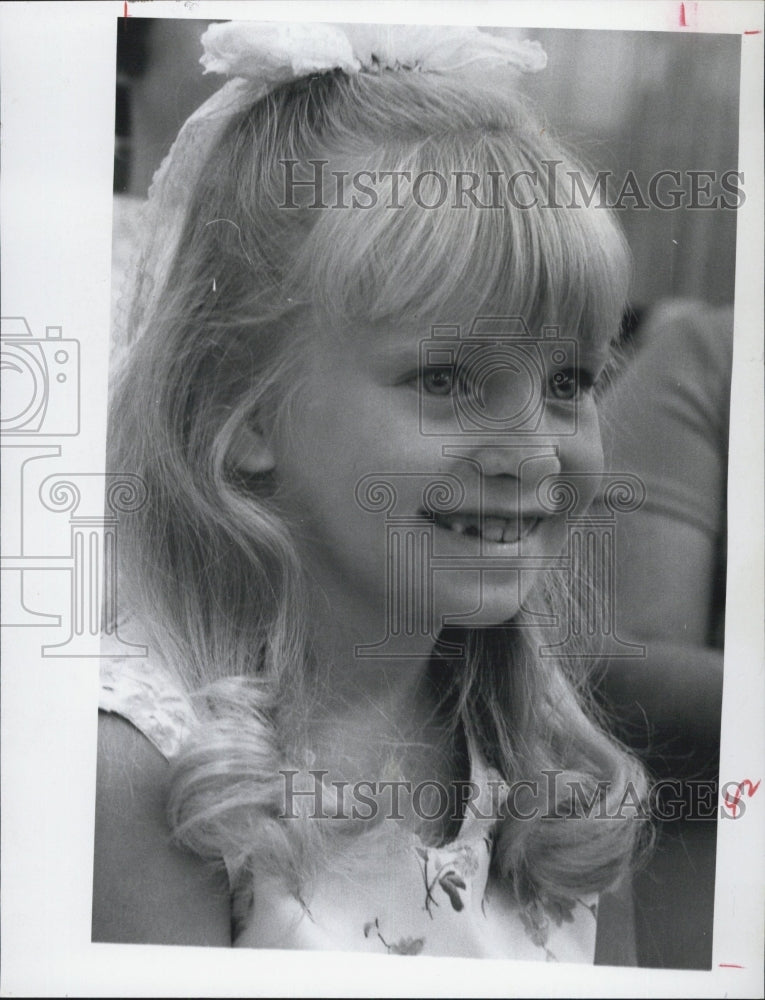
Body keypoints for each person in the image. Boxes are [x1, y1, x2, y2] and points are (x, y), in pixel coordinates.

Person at [93, 21, 651, 961]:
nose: (532, 454)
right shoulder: (145, 774)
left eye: (569, 383)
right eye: (445, 380)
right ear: (245, 410)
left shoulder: (562, 777)